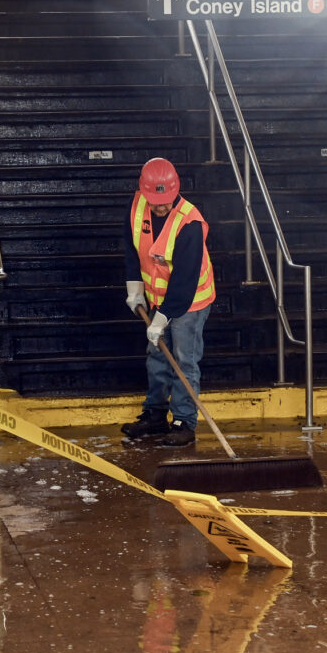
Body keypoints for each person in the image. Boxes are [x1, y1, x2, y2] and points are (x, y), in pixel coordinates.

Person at [120, 157, 216, 447]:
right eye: (155, 202)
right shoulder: (137, 207)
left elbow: (184, 282)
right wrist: (134, 288)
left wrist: (161, 320)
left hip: (190, 301)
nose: (161, 207)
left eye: (166, 201)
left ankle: (184, 422)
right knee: (158, 356)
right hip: (157, 297)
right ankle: (155, 415)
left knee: (184, 361)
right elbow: (131, 249)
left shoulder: (190, 223)